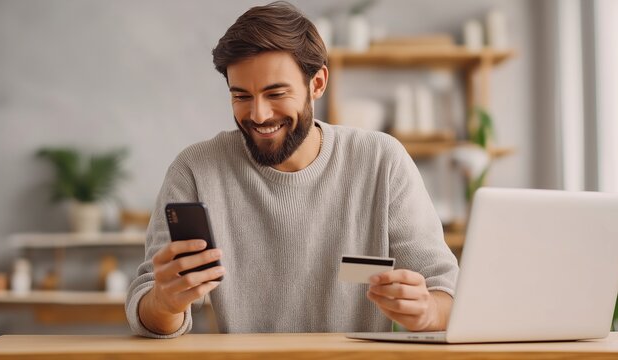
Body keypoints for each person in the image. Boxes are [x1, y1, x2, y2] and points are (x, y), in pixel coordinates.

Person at [126, 1, 458, 338]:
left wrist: (427, 310)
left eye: (276, 93)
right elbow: (148, 309)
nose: (258, 115)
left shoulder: (381, 160)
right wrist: (165, 304)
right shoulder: (196, 169)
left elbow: (448, 293)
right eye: (241, 96)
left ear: (317, 84)